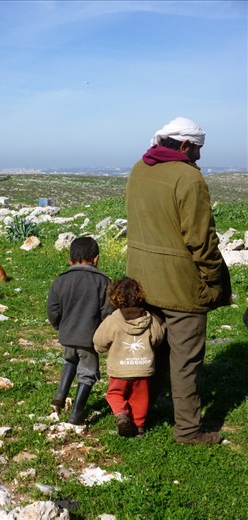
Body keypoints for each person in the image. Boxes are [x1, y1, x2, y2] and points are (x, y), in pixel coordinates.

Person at [125, 116, 232, 445]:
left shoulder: (138, 169)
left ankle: (138, 415)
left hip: (141, 279)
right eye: (198, 148)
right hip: (181, 284)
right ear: (184, 145)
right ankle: (187, 430)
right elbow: (201, 240)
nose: (199, 155)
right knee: (185, 359)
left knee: (148, 350)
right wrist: (214, 279)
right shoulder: (188, 178)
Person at [47, 236, 111, 425]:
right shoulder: (103, 281)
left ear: (70, 261)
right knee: (88, 372)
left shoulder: (60, 281)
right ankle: (77, 413)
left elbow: (52, 309)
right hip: (89, 338)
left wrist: (59, 325)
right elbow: (108, 312)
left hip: (67, 335)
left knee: (70, 359)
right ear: (96, 259)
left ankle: (60, 395)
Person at [93, 277, 165, 438]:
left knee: (115, 394)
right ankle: (139, 427)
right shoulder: (149, 319)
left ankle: (121, 415)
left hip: (120, 369)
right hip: (143, 367)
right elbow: (158, 337)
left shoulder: (112, 321)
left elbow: (99, 341)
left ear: (114, 299)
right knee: (141, 397)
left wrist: (101, 349)